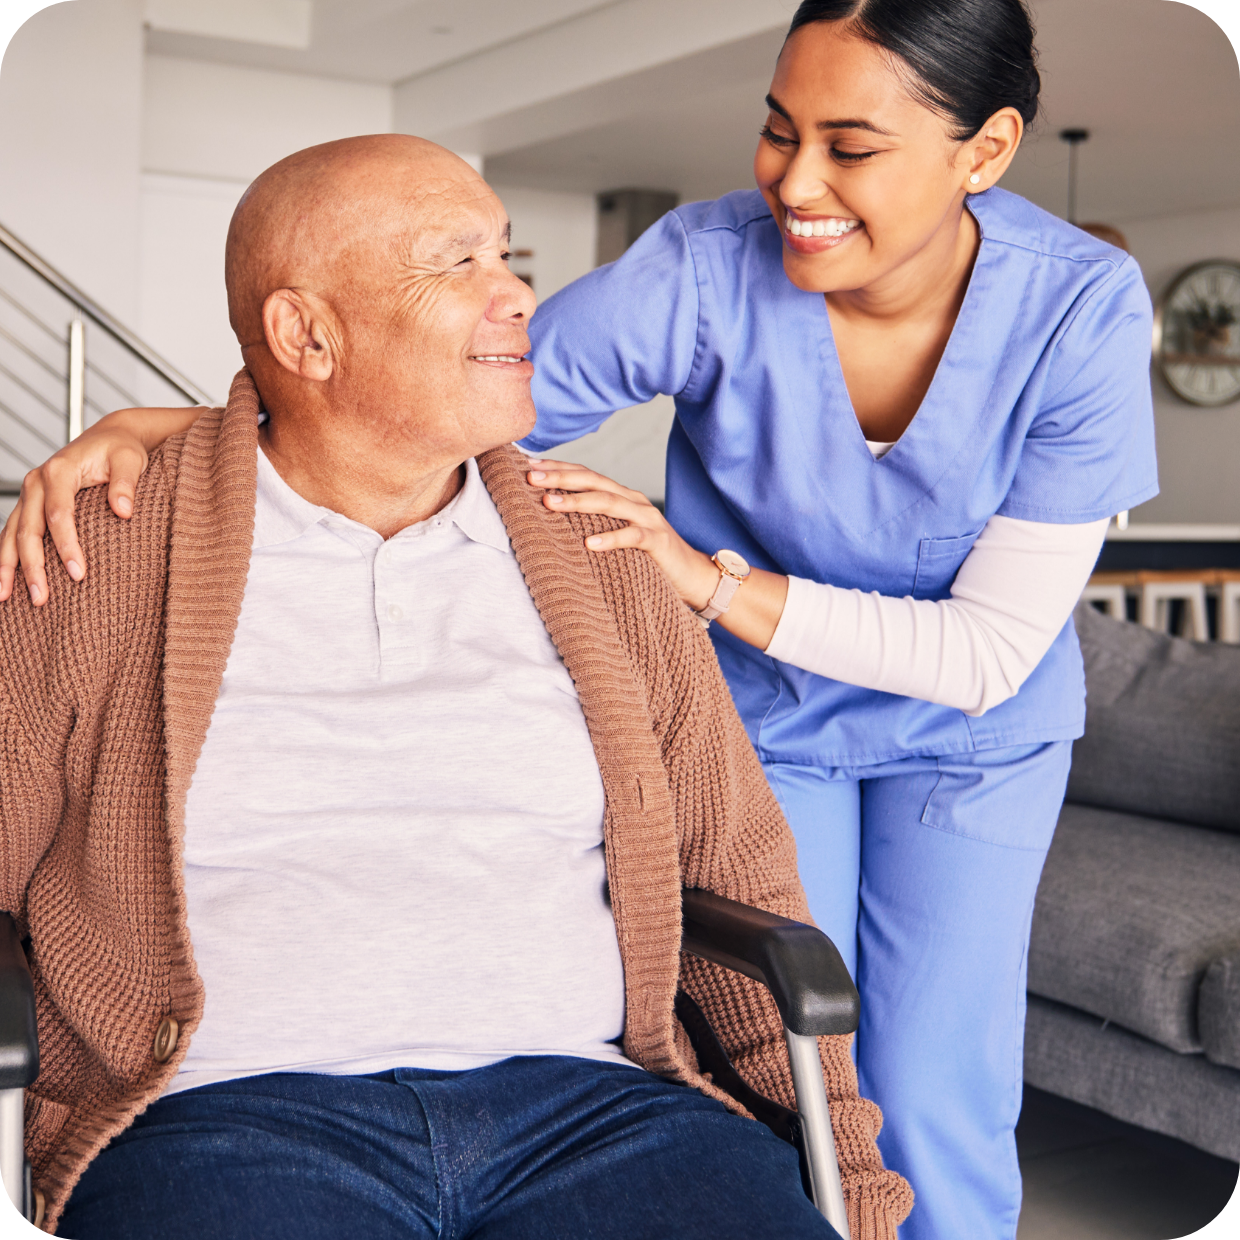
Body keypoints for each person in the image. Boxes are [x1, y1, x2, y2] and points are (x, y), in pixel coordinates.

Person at [0, 3, 1157, 1238]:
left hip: (958, 726)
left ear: (986, 151)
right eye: (779, 131)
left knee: (932, 1095)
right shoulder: (706, 269)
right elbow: (419, 397)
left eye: (852, 145)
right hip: (260, 1098)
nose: (793, 181)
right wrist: (200, 433)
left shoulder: (1073, 308)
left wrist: (701, 583)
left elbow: (984, 651)